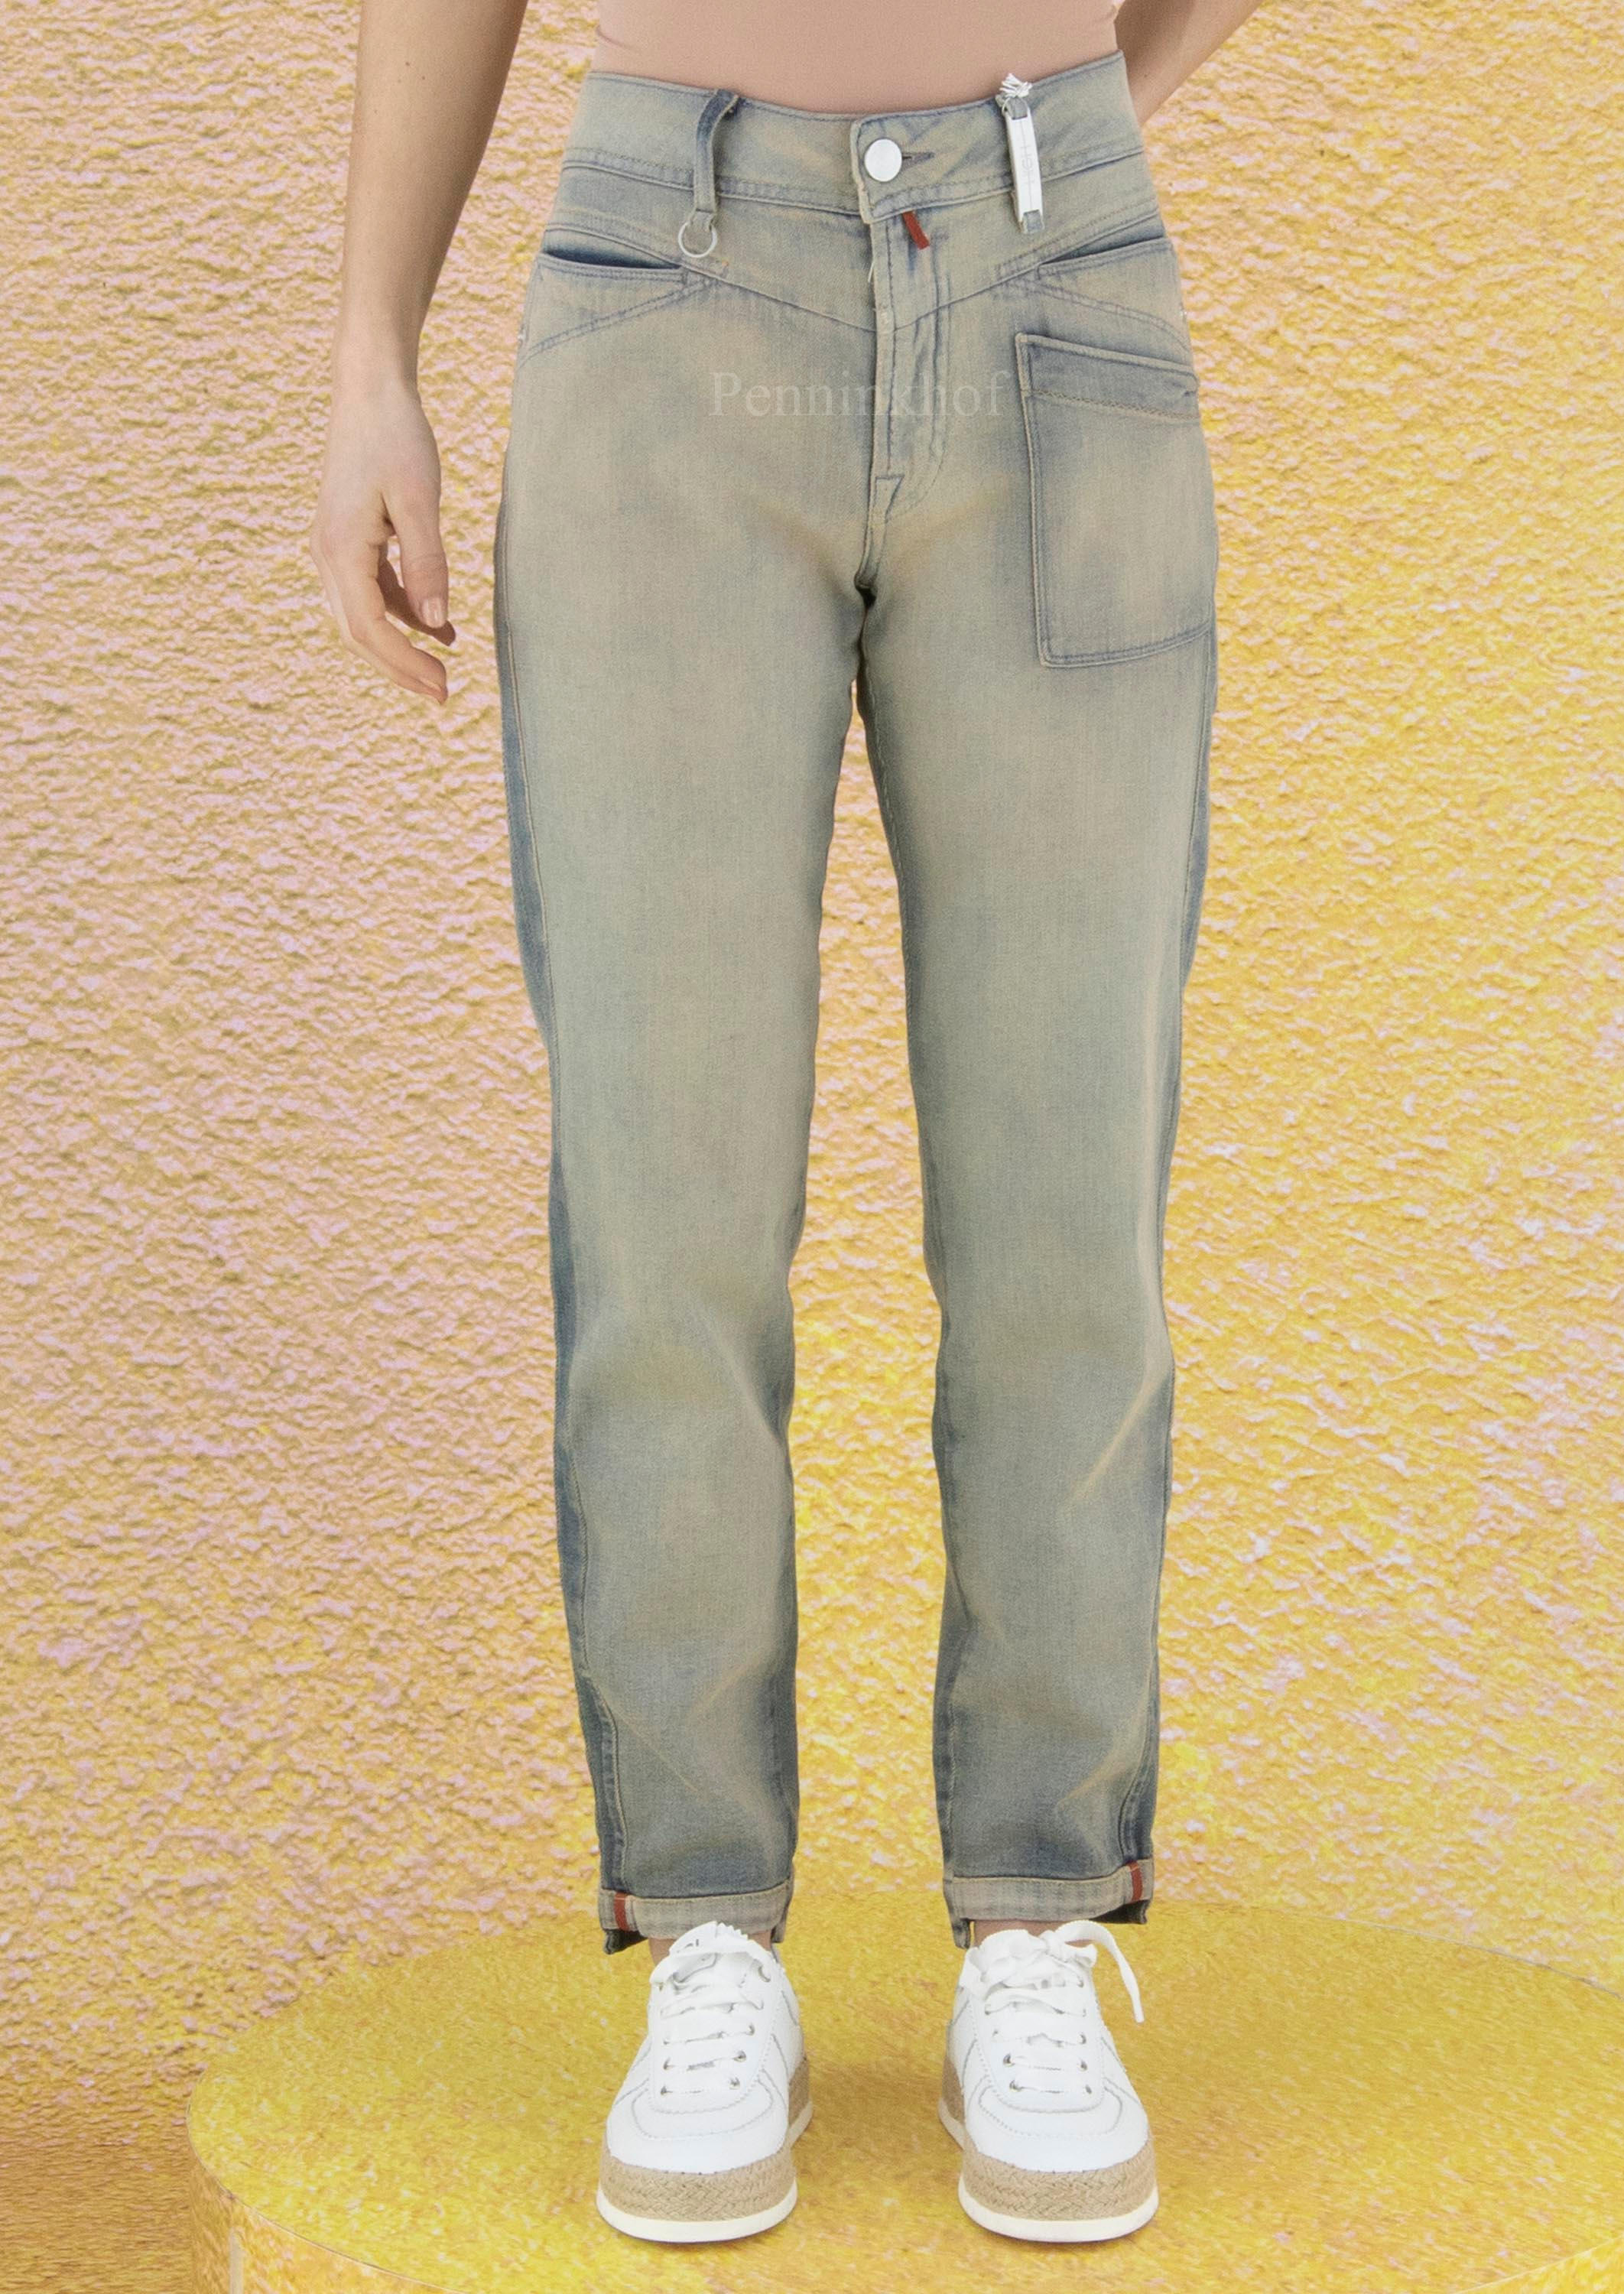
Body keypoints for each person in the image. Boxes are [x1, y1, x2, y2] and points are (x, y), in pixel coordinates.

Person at [312, 0, 1263, 2250]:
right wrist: (371, 351)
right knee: (665, 1208)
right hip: (661, 293)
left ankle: (1038, 1917)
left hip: (1056, 293)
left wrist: (1076, 125)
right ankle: (705, 1929)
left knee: (1064, 1202)